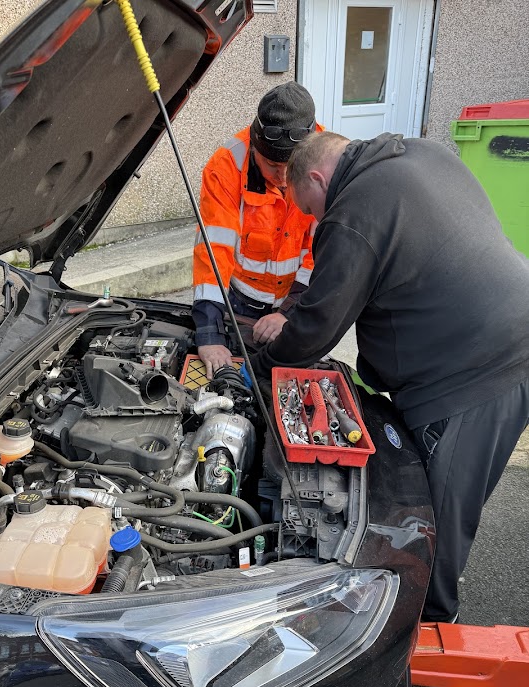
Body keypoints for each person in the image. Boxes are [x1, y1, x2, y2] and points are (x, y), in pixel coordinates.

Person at [251, 129, 529, 623]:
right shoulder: (416, 152)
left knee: (435, 512)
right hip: (509, 328)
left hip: (472, 371)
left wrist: (262, 367)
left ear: (316, 177)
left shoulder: (354, 211)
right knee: (442, 490)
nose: (316, 218)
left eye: (310, 207)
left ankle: (423, 628)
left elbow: (319, 327)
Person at [192, 81, 323, 377]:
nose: (284, 177)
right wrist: (210, 335)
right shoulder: (225, 167)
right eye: (272, 165)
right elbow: (213, 252)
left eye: (292, 165)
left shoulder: (327, 159)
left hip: (300, 298)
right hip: (241, 303)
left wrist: (290, 314)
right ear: (254, 148)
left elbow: (325, 256)